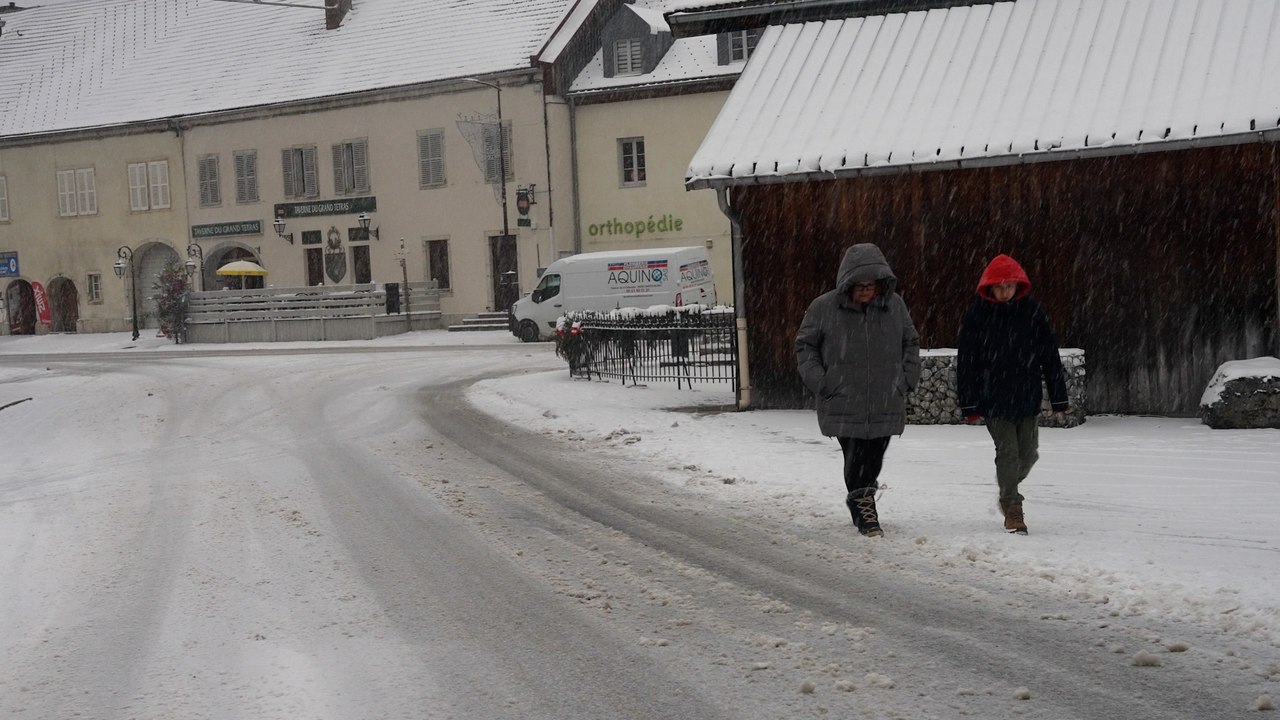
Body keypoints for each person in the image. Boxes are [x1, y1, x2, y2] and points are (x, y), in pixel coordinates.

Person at [796, 243, 921, 537]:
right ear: (847, 284)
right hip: (842, 397)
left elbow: (910, 342)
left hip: (885, 397)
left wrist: (906, 379)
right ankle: (865, 509)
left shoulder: (895, 307)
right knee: (855, 454)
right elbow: (805, 346)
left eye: (872, 286)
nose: (866, 292)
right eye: (859, 286)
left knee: (875, 454)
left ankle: (861, 498)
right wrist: (822, 382)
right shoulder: (823, 308)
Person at [956, 253, 1068, 535]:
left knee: (1029, 455)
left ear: (1018, 286)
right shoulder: (977, 315)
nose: (1005, 291)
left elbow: (1049, 356)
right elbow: (967, 362)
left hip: (1027, 396)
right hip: (993, 398)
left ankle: (1008, 487)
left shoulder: (1032, 312)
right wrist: (969, 404)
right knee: (1007, 453)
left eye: (1009, 286)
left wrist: (1059, 397)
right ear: (990, 287)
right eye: (1000, 286)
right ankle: (1012, 507)